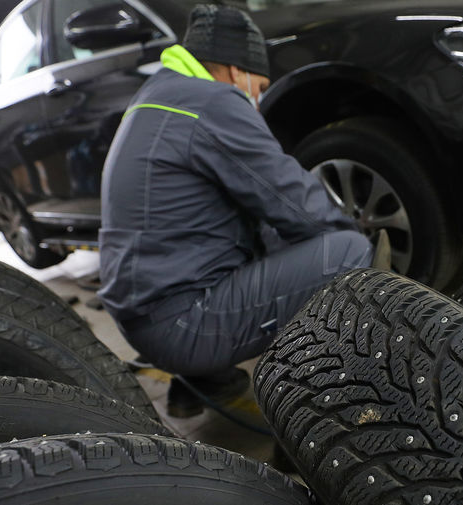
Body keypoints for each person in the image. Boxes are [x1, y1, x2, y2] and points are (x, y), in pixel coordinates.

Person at [98, 4, 379, 417]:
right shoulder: (212, 101)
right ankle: (319, 410)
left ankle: (201, 381)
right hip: (179, 323)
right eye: (260, 86)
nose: (260, 98)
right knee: (348, 252)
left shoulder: (158, 95)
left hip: (142, 315)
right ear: (235, 72)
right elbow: (295, 201)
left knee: (269, 235)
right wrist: (360, 253)